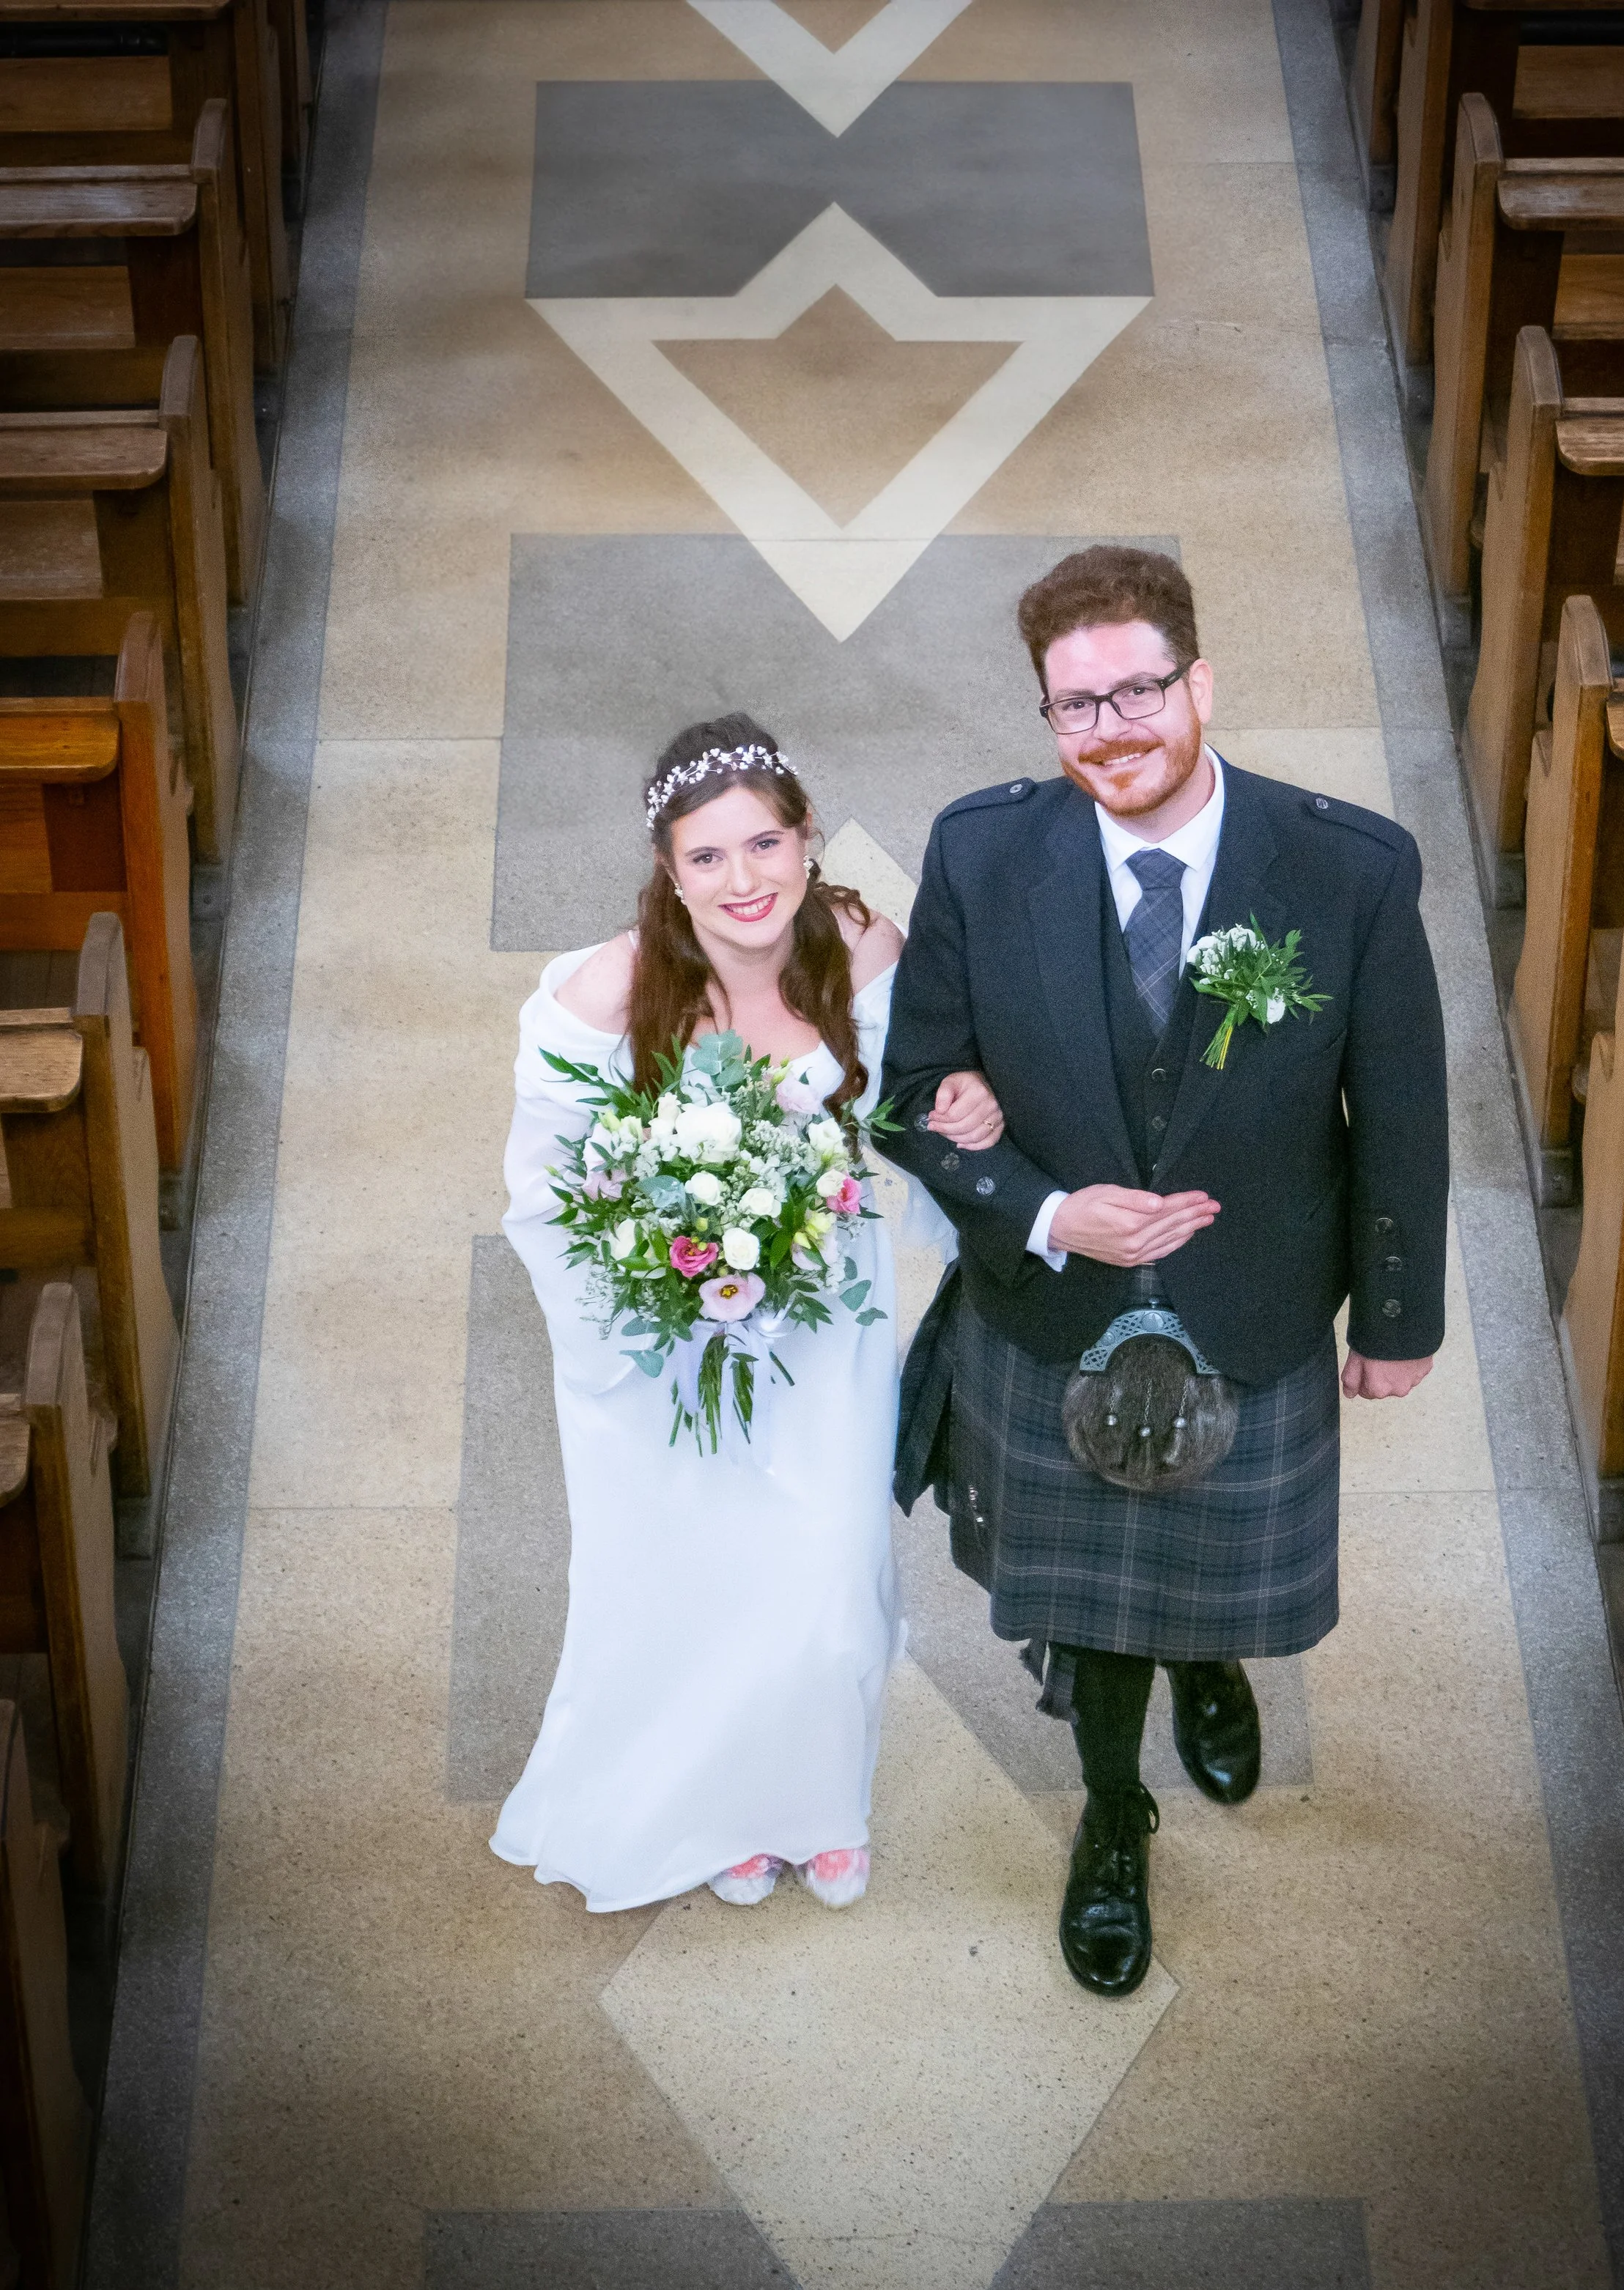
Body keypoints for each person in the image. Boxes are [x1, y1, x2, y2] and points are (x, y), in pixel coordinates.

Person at [880, 547, 1449, 1994]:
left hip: (1250, 1305)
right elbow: (911, 1091)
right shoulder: (980, 852)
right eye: (1073, 706)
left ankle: (1210, 1657)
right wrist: (1049, 1207)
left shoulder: (1346, 866)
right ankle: (1114, 1811)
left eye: (1137, 690)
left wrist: (1395, 1313)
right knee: (1089, 1607)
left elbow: (1396, 1106)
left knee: (1197, 1576)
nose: (1110, 730)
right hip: (1052, 1308)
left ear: (1198, 682)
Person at [492, 714, 1003, 1913]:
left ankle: (821, 1806)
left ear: (808, 837)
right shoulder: (609, 987)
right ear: (669, 872)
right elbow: (547, 1185)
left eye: (766, 844)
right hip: (661, 1336)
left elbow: (914, 1100)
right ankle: (717, 1809)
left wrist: (965, 1115)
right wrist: (648, 1284)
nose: (744, 882)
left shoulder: (861, 946)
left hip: (826, 1311)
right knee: (693, 1570)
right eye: (708, 858)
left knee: (825, 1572)